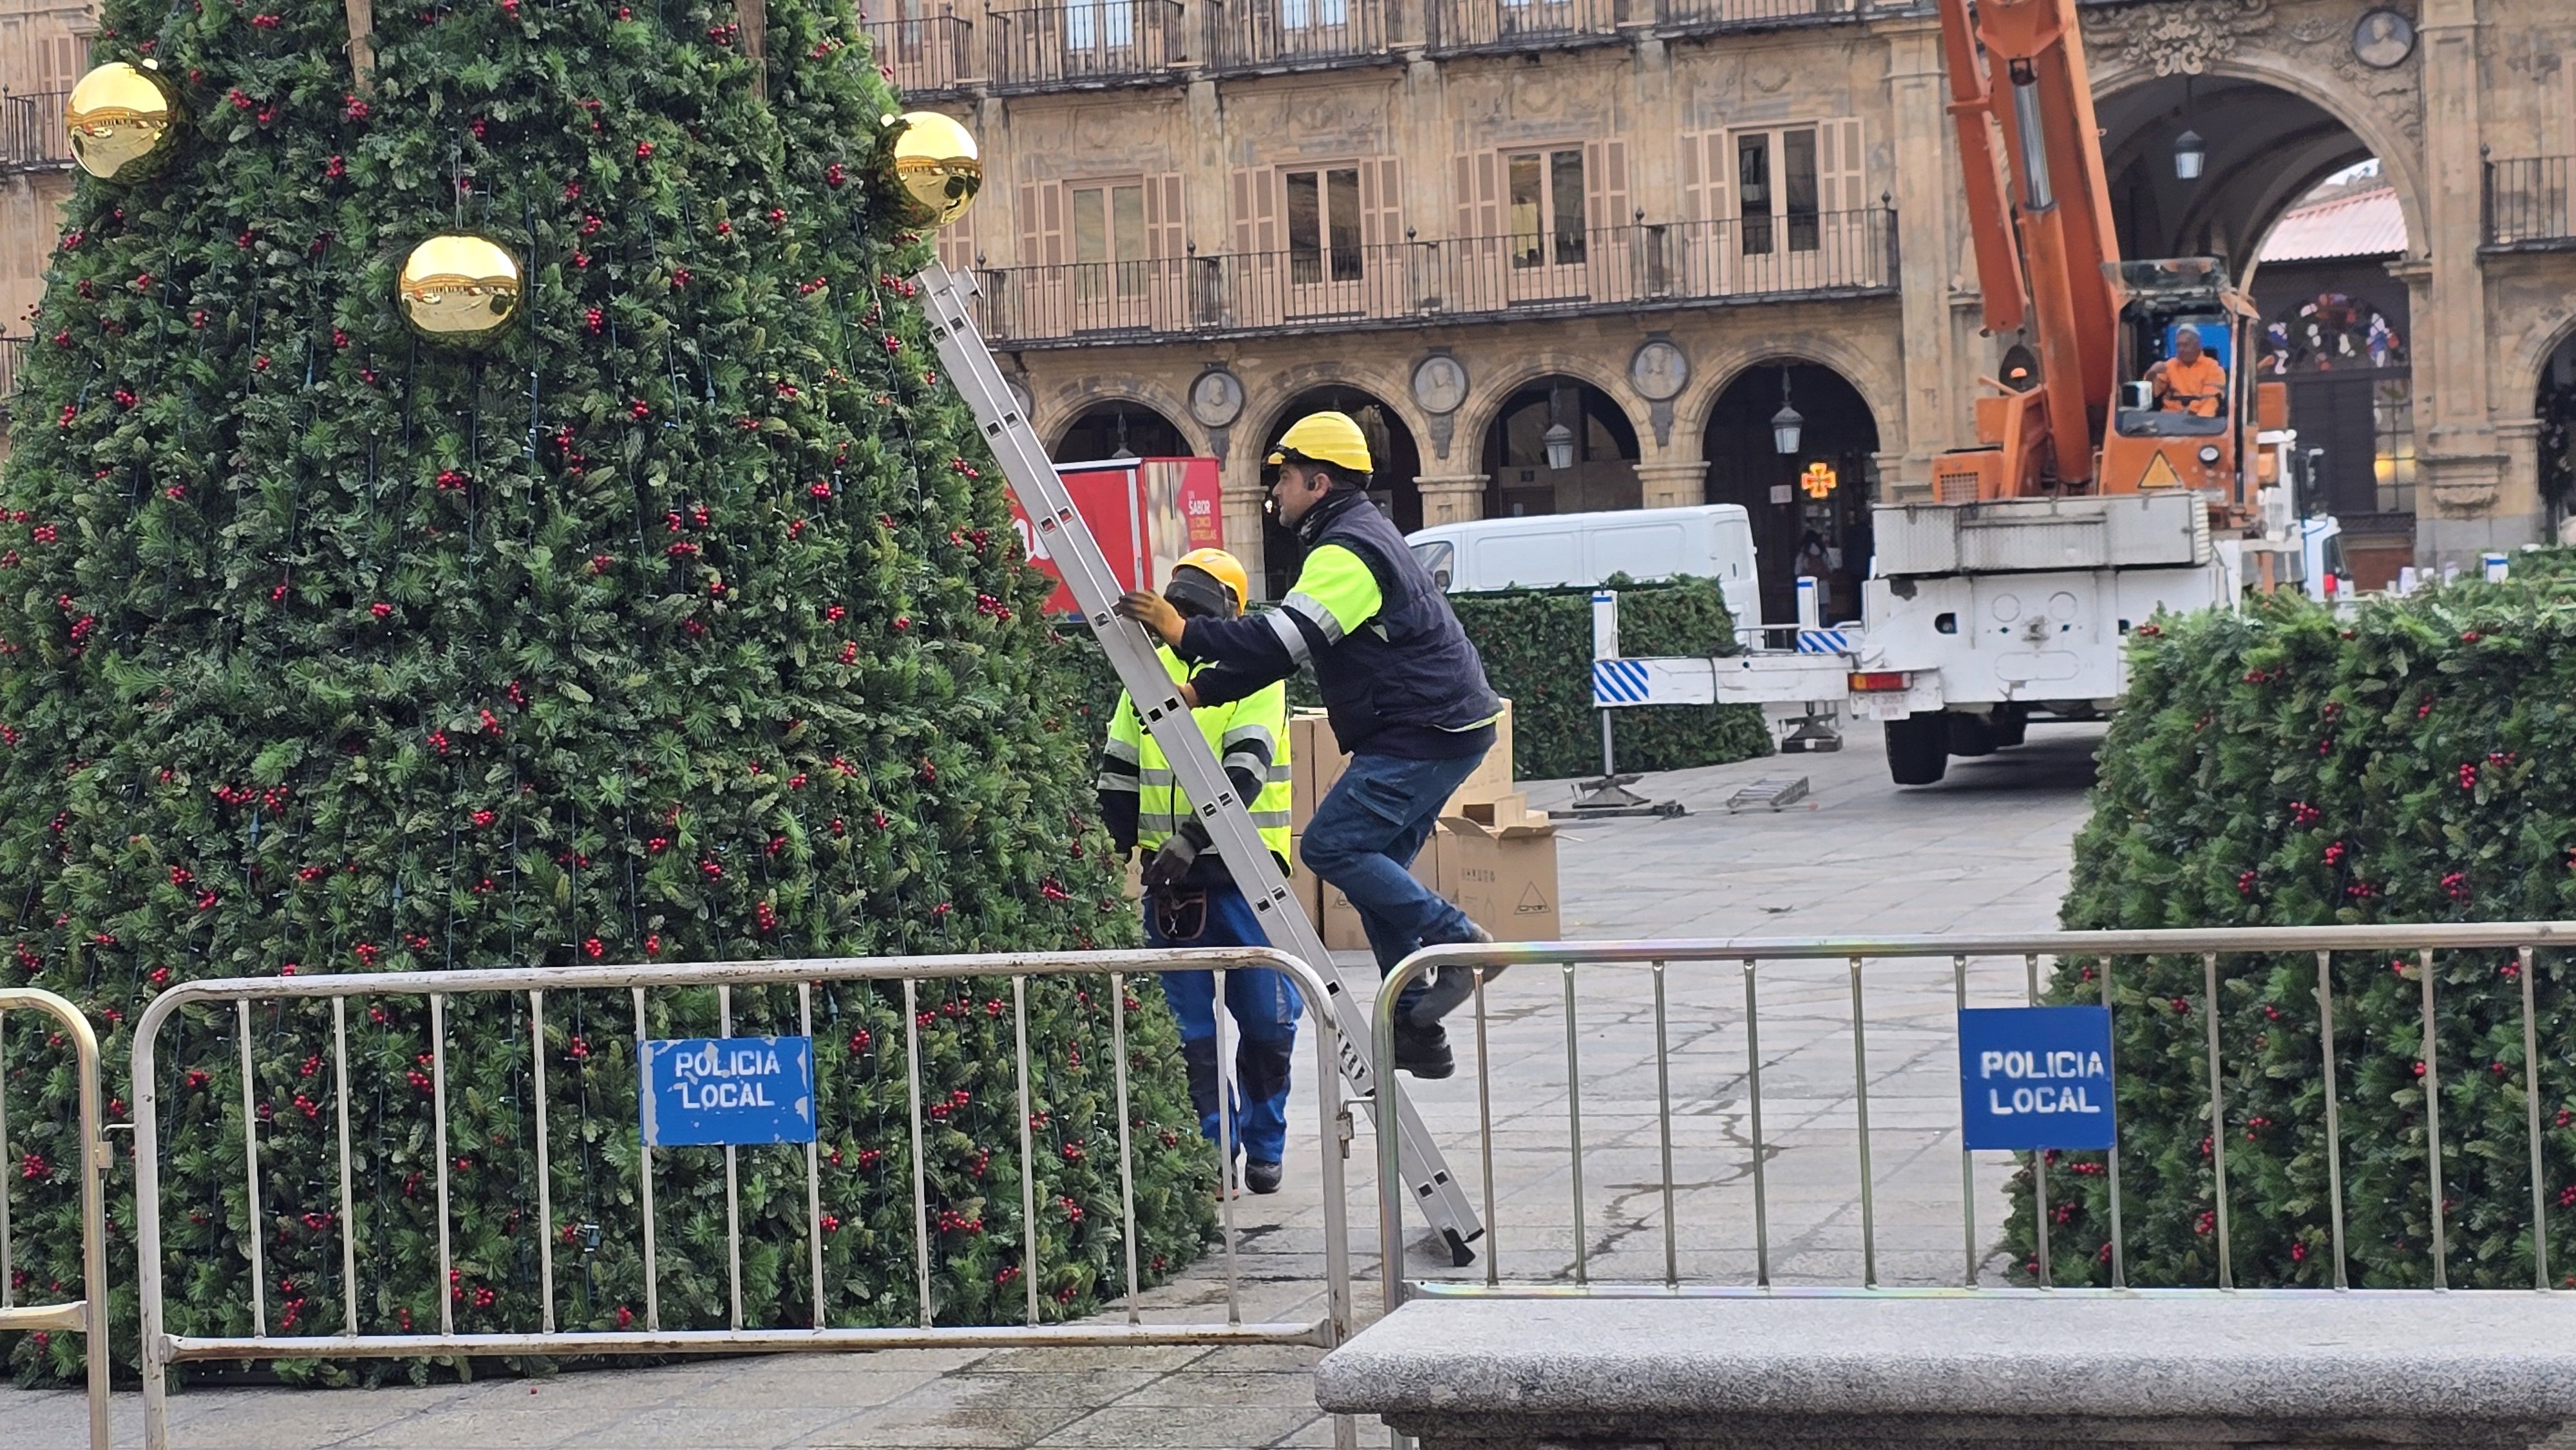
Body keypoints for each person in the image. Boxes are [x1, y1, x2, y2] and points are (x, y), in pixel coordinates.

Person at [1113, 411, 1502, 1080]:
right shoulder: (1353, 536)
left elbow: (1279, 639)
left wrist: (1185, 633)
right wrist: (1206, 691)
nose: (1276, 493)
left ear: (1317, 482)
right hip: (1438, 725)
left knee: (1331, 846)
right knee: (1374, 869)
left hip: (1423, 728)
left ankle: (1461, 942)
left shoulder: (1347, 549)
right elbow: (1292, 651)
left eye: (1285, 478)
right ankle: (1414, 1022)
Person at [1097, 548, 1302, 1195]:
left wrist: (1191, 838)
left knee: (1269, 1027)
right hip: (1173, 889)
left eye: (1195, 606)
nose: (1181, 615)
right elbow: (1118, 775)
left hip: (1248, 882)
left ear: (1231, 613)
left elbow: (1244, 770)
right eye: (1175, 603)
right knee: (1189, 1036)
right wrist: (1113, 850)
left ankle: (1266, 1142)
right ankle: (1215, 1152)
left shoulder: (1255, 676)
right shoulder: (1144, 677)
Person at [2145, 327, 2228, 417]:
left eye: (2185, 345)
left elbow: (2210, 400)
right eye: (2178, 345)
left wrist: (2192, 417)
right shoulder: (2169, 365)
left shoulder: (2213, 368)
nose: (2181, 349)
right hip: (2169, 420)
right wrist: (2152, 373)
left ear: (2197, 345)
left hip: (2200, 421)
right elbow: (2152, 393)